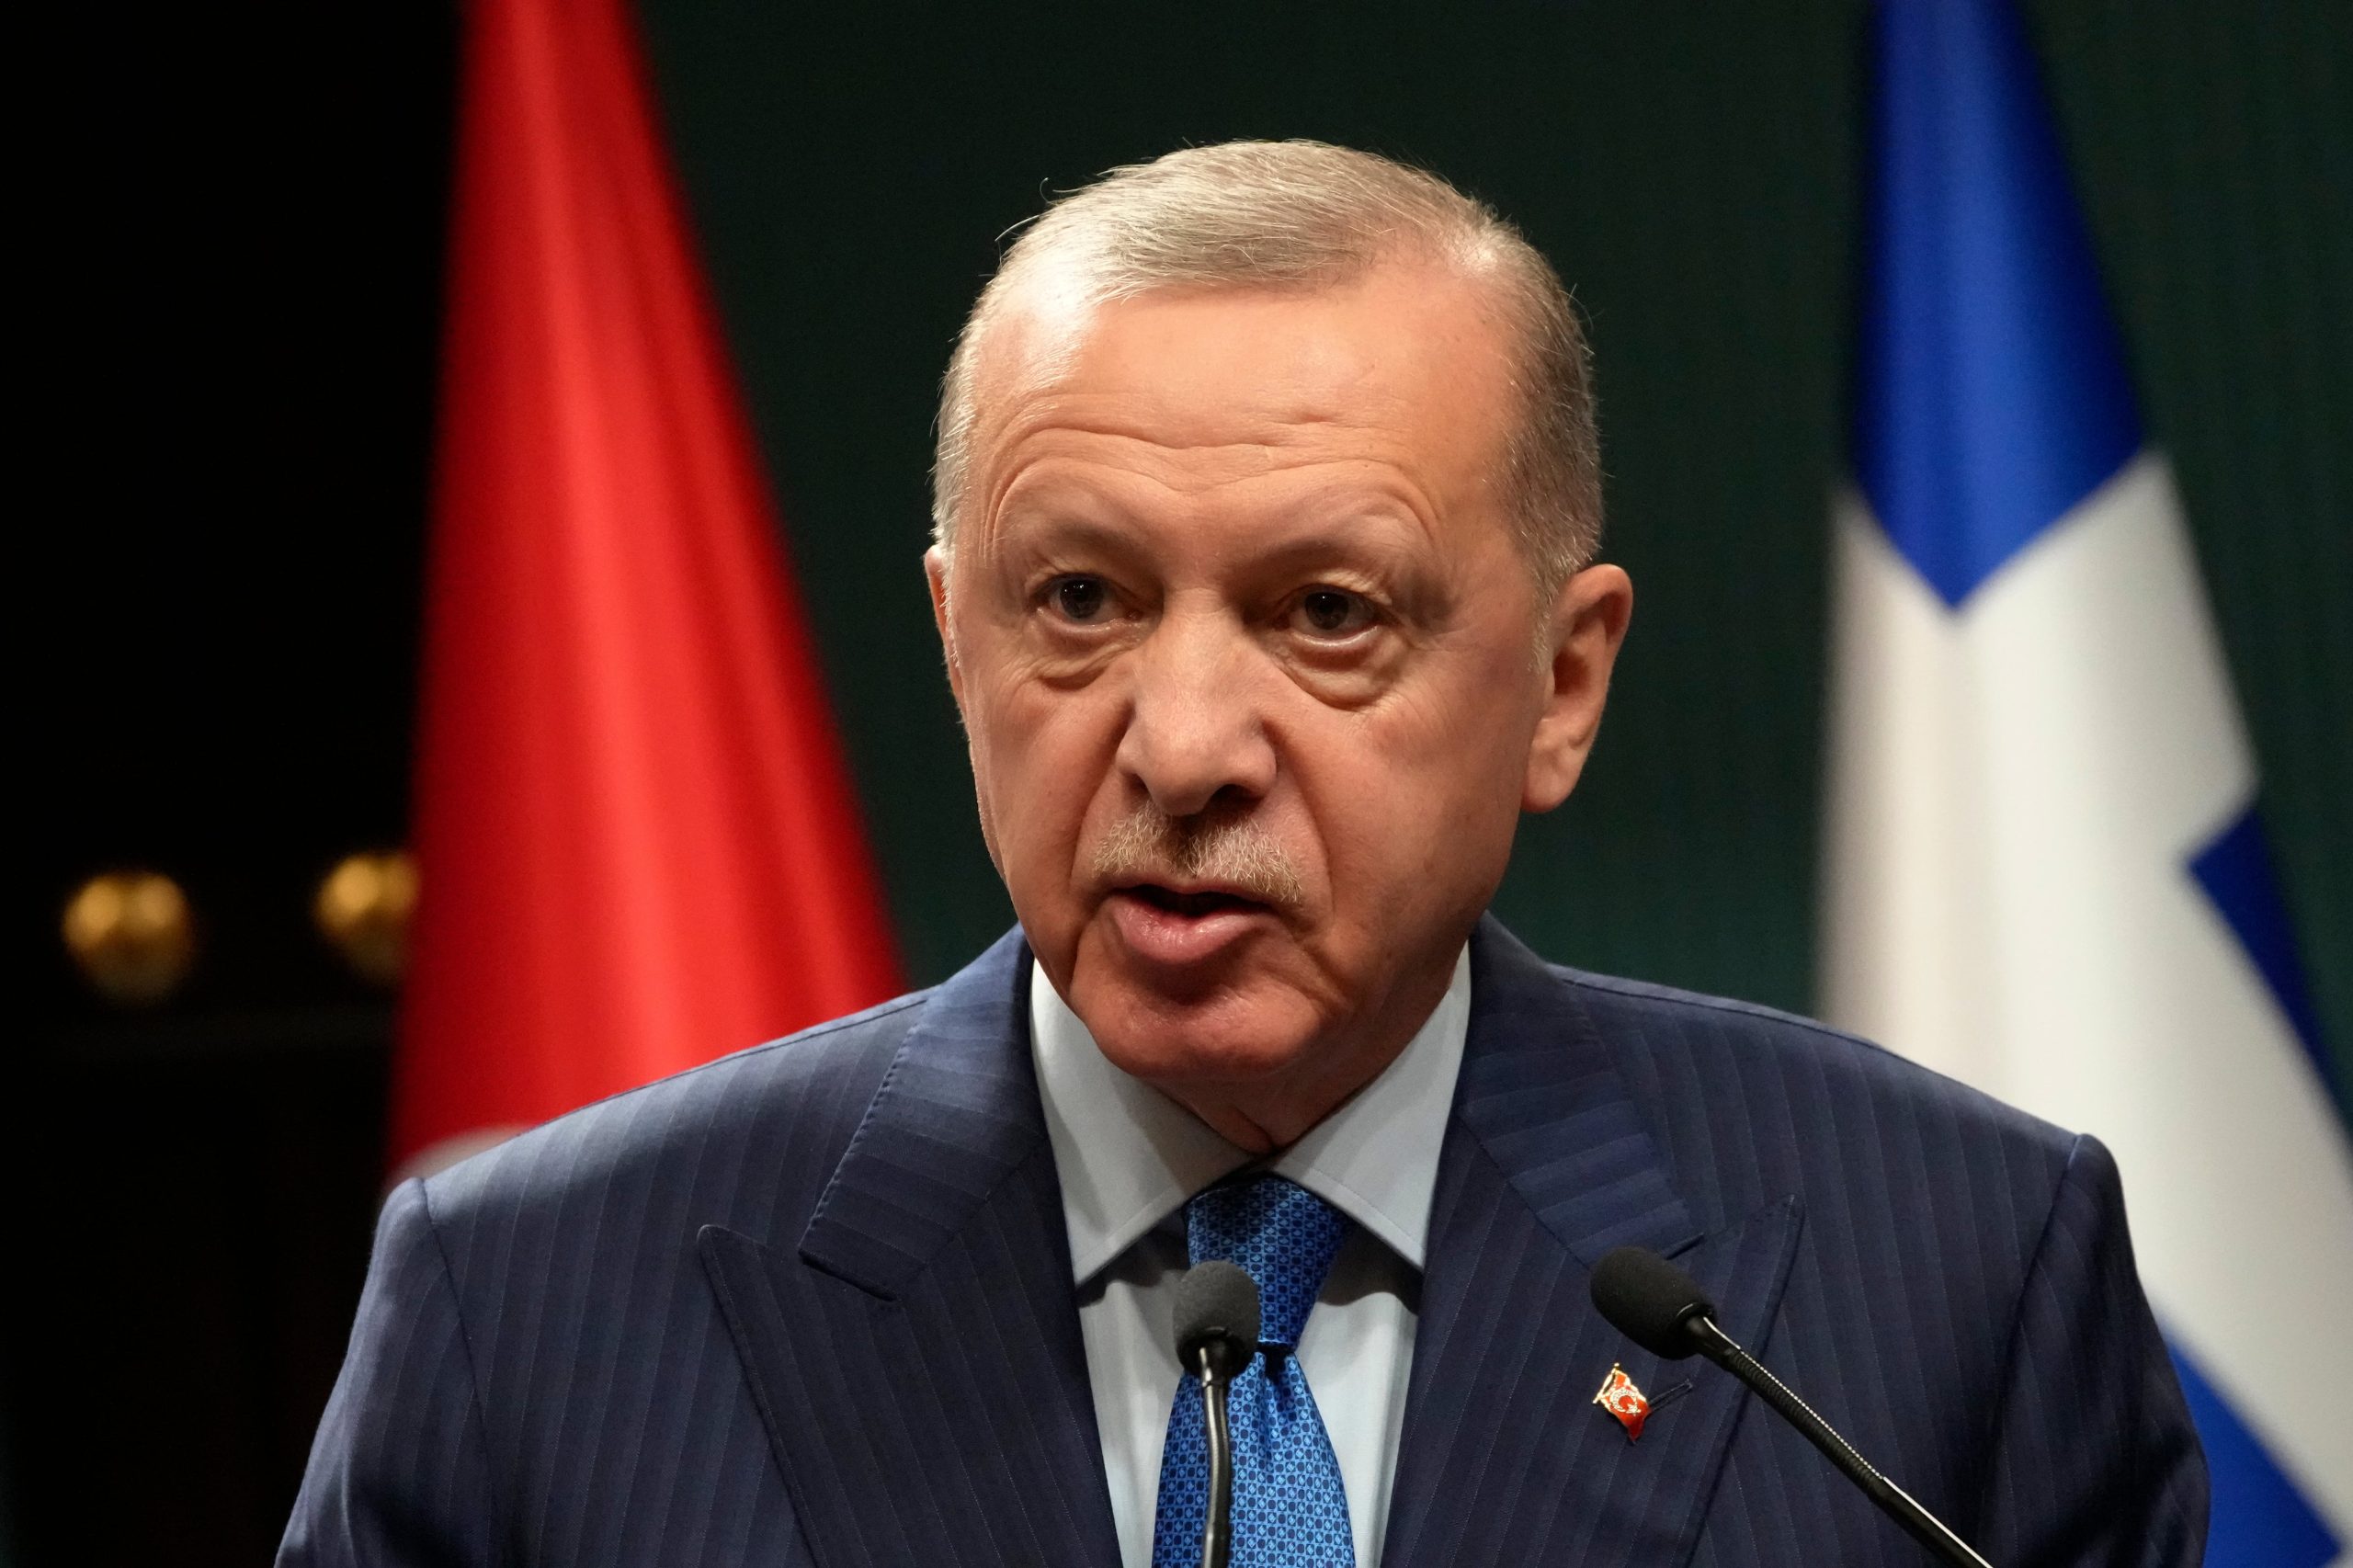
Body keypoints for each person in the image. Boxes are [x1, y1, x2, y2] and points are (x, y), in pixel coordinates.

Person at [281, 141, 2206, 1567]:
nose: (1183, 747)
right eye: (1080, 599)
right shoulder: (526, 1315)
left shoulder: (1949, 1277)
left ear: (1561, 682)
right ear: (956, 642)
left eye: (1327, 614)